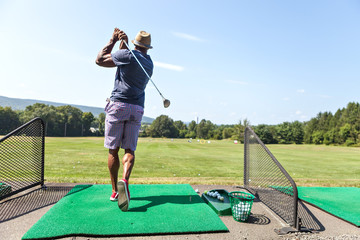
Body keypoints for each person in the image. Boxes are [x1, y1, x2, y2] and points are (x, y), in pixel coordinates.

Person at [95, 28, 153, 211]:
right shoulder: (149, 62)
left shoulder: (128, 55)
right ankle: (125, 181)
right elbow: (123, 61)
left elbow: (100, 60)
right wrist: (124, 44)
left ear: (135, 44)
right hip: (137, 108)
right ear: (148, 48)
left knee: (113, 150)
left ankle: (114, 191)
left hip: (118, 106)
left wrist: (112, 39)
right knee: (130, 149)